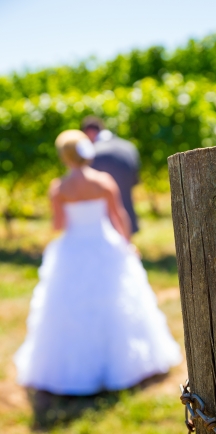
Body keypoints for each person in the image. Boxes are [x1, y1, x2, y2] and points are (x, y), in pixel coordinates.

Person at [14, 130, 181, 395]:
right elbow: (120, 216)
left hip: (73, 248)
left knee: (70, 308)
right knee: (117, 303)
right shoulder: (103, 181)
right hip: (105, 244)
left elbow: (59, 224)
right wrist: (127, 243)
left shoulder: (60, 188)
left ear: (64, 157)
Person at [81, 116, 140, 234]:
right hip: (127, 216)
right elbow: (135, 180)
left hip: (104, 221)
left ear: (89, 132)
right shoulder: (129, 147)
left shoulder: (93, 152)